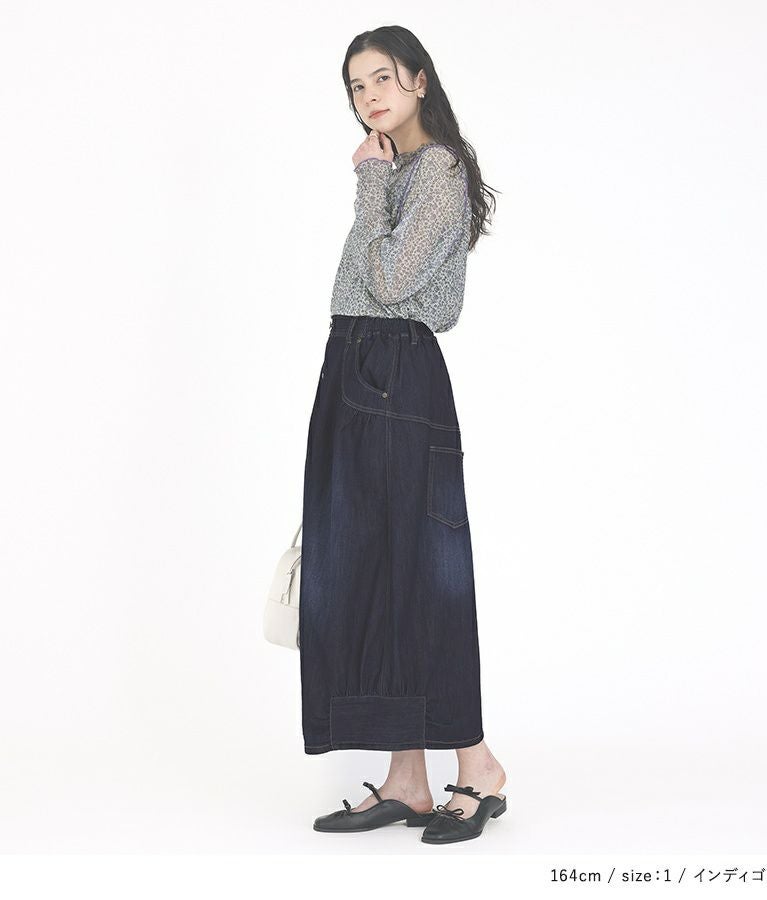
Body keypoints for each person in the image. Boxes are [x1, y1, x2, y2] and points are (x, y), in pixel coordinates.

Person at [299, 25, 507, 845]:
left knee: (423, 574)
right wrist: (378, 180)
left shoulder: (438, 171)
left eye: (382, 78)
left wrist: (369, 180)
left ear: (419, 80)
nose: (369, 97)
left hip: (396, 372)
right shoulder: (397, 172)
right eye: (356, 86)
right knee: (365, 573)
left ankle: (477, 764)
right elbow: (367, 284)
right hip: (354, 366)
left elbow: (388, 280)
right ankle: (407, 777)